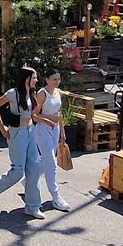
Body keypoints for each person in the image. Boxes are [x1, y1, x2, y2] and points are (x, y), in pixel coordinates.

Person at [0, 66, 45, 219]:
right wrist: (2, 128)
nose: (36, 80)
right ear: (27, 79)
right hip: (17, 133)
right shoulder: (13, 93)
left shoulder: (31, 93)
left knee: (35, 167)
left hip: (30, 131)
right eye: (34, 77)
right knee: (18, 171)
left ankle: (32, 206)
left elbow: (32, 113)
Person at [31, 68, 72, 212]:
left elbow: (59, 114)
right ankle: (56, 196)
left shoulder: (58, 93)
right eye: (54, 79)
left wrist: (62, 132)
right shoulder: (42, 94)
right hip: (42, 130)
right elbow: (34, 115)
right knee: (51, 162)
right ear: (47, 79)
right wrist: (48, 120)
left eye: (58, 79)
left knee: (47, 160)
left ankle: (29, 179)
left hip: (55, 130)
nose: (57, 81)